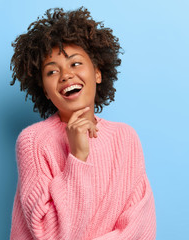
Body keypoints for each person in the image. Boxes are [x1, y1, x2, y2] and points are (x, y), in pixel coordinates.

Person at [9, 7, 156, 240]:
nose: (65, 75)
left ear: (97, 73)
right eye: (52, 71)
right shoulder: (33, 142)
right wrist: (77, 157)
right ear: (45, 91)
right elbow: (49, 234)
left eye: (75, 64)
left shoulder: (125, 138)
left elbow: (141, 228)